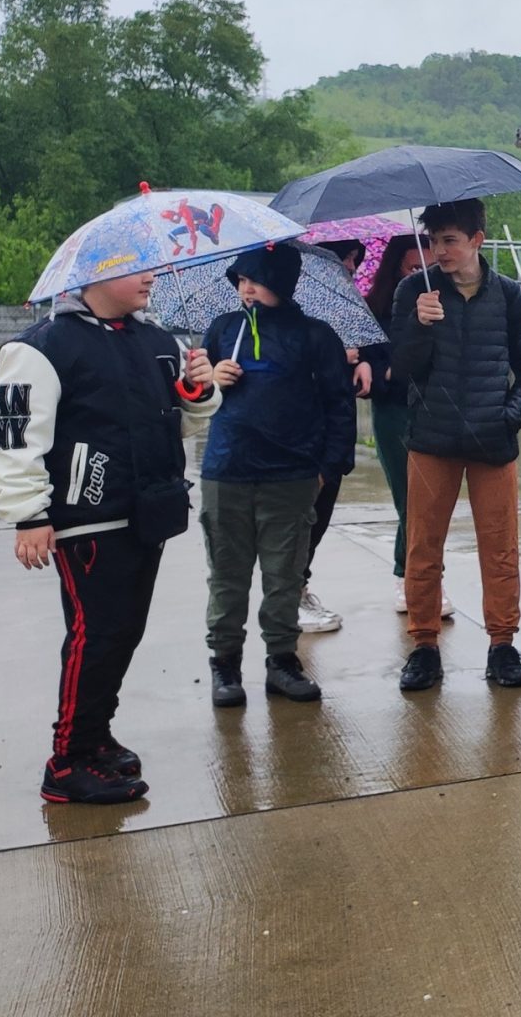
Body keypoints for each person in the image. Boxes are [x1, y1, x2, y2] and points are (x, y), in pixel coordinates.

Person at [0, 269, 219, 804]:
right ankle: (67, 760)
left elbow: (178, 422)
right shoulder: (42, 347)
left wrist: (198, 389)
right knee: (96, 635)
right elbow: (12, 435)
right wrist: (28, 514)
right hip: (87, 518)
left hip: (148, 512)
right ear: (97, 272)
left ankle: (94, 736)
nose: (151, 277)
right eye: (136, 268)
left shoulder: (158, 341)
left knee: (124, 632)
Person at [388, 198, 521, 692]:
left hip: (492, 442)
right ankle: (423, 646)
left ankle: (502, 644)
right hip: (430, 441)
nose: (439, 250)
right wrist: (418, 324)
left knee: (500, 549)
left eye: (450, 240)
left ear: (477, 240)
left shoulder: (510, 296)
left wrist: (509, 416)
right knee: (422, 547)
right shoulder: (414, 291)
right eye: (434, 241)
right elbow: (402, 368)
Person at [196, 242, 354, 707]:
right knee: (227, 575)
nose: (247, 289)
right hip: (227, 470)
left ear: (282, 283)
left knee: (284, 575)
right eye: (241, 280)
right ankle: (225, 664)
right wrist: (209, 381)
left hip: (292, 475)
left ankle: (282, 661)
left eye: (258, 280)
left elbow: (339, 406)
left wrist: (327, 469)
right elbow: (191, 399)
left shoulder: (315, 336)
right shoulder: (223, 329)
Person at [364, 235, 454, 621]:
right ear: (396, 269)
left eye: (429, 267)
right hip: (395, 411)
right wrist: (389, 372)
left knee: (433, 501)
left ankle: (422, 575)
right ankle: (413, 577)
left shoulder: (448, 304)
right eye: (413, 268)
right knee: (411, 499)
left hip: (438, 411)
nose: (422, 275)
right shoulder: (378, 310)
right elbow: (372, 372)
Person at [295, 238, 379, 636]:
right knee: (300, 516)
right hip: (302, 429)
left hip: (336, 425)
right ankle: (290, 593)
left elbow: (367, 344)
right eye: (345, 257)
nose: (351, 266)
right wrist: (332, 354)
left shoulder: (347, 302)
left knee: (321, 512)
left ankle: (300, 585)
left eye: (355, 260)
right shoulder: (294, 304)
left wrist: (362, 360)